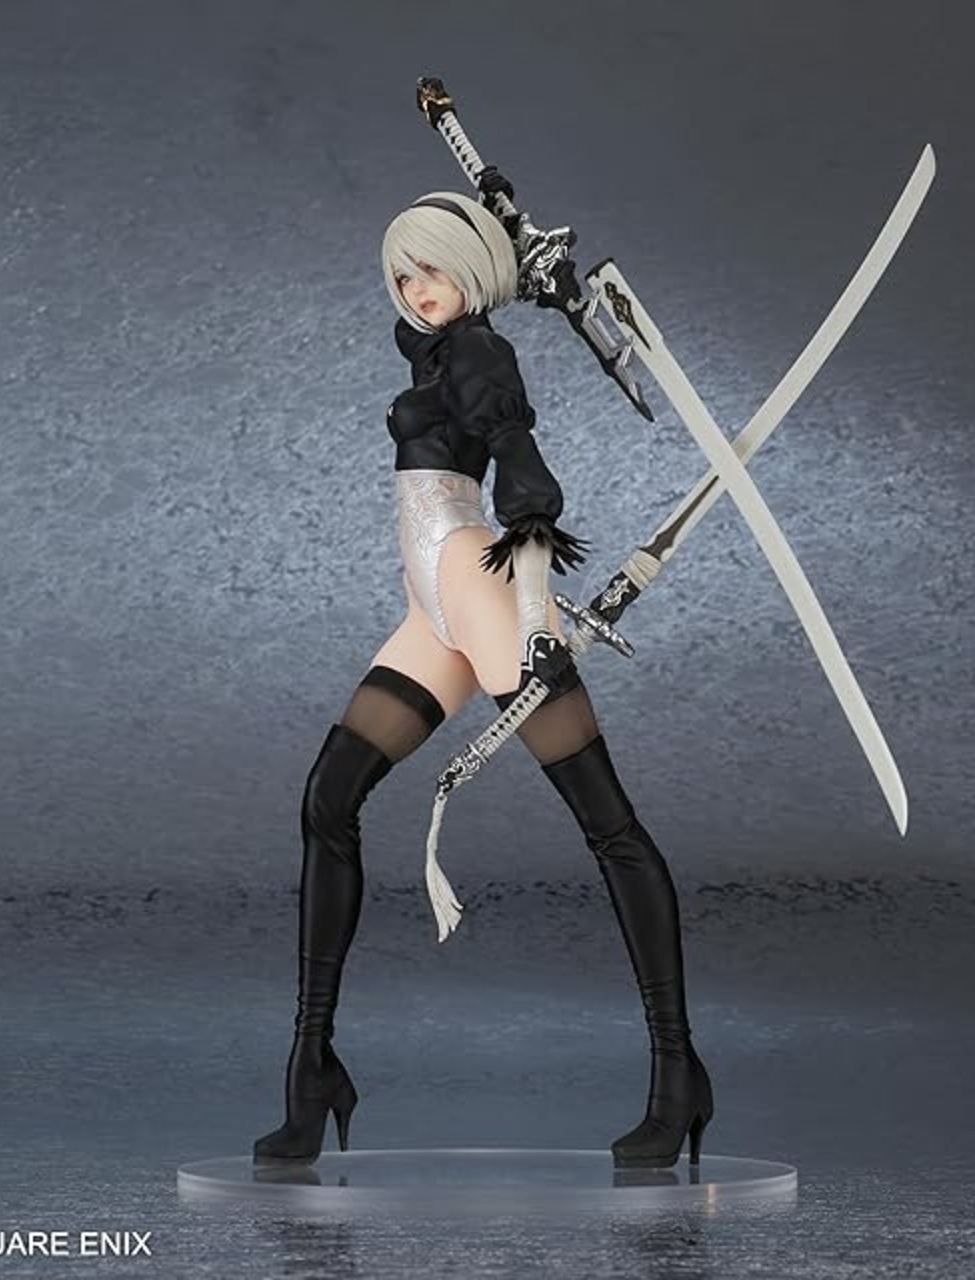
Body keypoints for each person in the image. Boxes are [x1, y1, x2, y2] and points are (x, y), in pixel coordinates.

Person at [252, 189, 713, 1169]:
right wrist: (509, 237)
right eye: (403, 272)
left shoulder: (477, 354)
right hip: (430, 606)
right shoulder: (439, 347)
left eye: (434, 268)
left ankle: (679, 1074)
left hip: (477, 586)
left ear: (472, 271)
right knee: (328, 798)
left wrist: (534, 591)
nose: (417, 288)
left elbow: (518, 464)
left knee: (607, 824)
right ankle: (311, 1067)